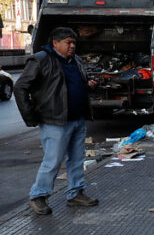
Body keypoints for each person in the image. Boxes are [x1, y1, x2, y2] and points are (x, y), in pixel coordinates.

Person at [14, 27, 99, 215]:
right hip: (55, 121)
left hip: (77, 118)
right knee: (53, 161)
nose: (72, 46)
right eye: (68, 42)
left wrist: (87, 86)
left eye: (74, 42)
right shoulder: (41, 59)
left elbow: (70, 86)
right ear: (55, 43)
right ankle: (38, 196)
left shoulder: (74, 60)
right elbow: (20, 88)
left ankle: (75, 193)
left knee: (77, 159)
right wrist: (30, 116)